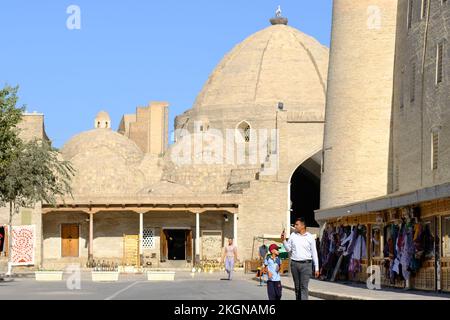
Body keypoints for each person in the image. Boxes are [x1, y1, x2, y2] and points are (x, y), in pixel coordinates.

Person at [281, 217, 320, 300]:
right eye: (295, 224)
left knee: (304, 287)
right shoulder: (293, 235)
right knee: (297, 288)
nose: (295, 226)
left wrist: (317, 268)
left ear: (303, 226)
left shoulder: (310, 237)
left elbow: (314, 253)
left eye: (297, 224)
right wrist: (284, 240)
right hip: (294, 264)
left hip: (306, 265)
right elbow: (288, 249)